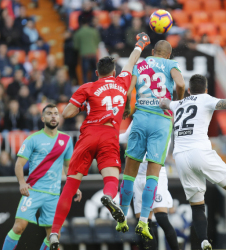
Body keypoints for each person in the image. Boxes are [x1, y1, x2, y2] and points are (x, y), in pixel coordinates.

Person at [48, 33, 151, 249]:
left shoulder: (88, 87)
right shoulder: (122, 82)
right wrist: (141, 43)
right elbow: (132, 60)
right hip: (109, 136)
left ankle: (55, 233)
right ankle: (108, 197)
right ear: (114, 72)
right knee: (112, 179)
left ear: (97, 73)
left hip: (88, 135)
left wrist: (79, 105)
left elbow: (66, 113)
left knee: (70, 186)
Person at [159, 74, 226, 250]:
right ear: (205, 89)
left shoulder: (178, 103)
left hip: (181, 157)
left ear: (189, 90)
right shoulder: (206, 98)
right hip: (200, 152)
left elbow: (164, 102)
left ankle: (203, 241)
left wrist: (162, 102)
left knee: (197, 205)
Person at [119, 39, 186, 240]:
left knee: (129, 173)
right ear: (167, 55)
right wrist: (177, 102)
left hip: (140, 117)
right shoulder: (170, 64)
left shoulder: (141, 63)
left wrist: (127, 108)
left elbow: (128, 88)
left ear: (153, 51)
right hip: (160, 121)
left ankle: (122, 216)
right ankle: (143, 222)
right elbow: (181, 83)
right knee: (153, 175)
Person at [2, 104, 81, 250]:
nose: (53, 116)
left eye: (56, 113)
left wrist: (74, 186)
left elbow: (68, 166)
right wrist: (22, 183)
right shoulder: (33, 139)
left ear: (59, 118)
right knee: (19, 227)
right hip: (33, 190)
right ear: (43, 118)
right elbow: (19, 164)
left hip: (53, 194)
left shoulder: (66, 140)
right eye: (49, 113)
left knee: (53, 237)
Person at [119, 122, 179, 250]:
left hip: (155, 173)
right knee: (143, 224)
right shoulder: (137, 119)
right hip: (137, 175)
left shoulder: (163, 120)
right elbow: (124, 137)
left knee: (162, 219)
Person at [73, 18, 100, 83]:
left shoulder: (78, 33)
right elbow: (97, 42)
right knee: (95, 71)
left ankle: (86, 87)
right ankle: (94, 85)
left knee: (85, 73)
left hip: (84, 55)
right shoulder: (94, 31)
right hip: (93, 54)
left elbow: (76, 47)